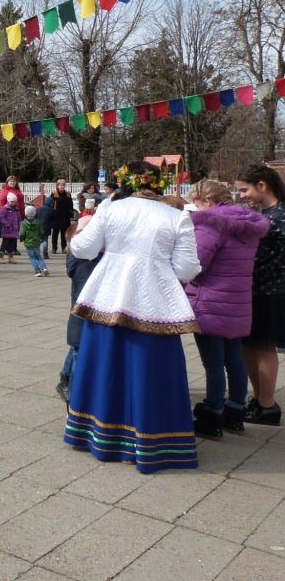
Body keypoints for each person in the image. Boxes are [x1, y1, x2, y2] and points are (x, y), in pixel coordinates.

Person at [64, 161, 201, 472]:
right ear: (159, 184)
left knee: (105, 366)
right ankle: (153, 441)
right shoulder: (178, 216)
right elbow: (186, 269)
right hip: (155, 302)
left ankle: (98, 435)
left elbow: (83, 249)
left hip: (107, 296)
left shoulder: (112, 209)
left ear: (125, 182)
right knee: (150, 370)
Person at [186, 179, 269, 438]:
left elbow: (196, 264)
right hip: (238, 302)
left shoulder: (209, 225)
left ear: (207, 202)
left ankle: (211, 414)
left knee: (213, 364)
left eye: (196, 204)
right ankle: (235, 412)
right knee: (234, 361)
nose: (195, 209)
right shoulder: (248, 224)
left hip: (210, 301)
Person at [235, 165, 285, 426]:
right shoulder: (265, 213)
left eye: (245, 190)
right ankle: (258, 399)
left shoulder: (281, 214)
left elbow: (282, 260)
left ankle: (267, 404)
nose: (242, 195)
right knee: (249, 345)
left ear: (262, 185)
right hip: (255, 289)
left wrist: (250, 273)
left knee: (263, 346)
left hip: (271, 291)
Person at [58, 219, 102, 401]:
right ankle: (74, 398)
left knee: (76, 348)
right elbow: (88, 296)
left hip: (79, 320)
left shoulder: (80, 258)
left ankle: (65, 378)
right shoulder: (87, 263)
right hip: (84, 317)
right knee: (78, 354)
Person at [19, 205, 48, 277]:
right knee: (38, 256)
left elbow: (22, 233)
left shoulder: (24, 223)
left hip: (28, 243)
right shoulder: (38, 222)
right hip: (36, 242)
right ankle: (44, 268)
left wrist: (21, 239)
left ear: (25, 213)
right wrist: (39, 236)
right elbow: (41, 232)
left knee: (32, 257)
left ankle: (37, 271)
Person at [50, 179, 74, 254]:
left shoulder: (68, 194)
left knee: (64, 233)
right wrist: (51, 215)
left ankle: (64, 247)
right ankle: (54, 248)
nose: (62, 186)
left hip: (65, 216)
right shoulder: (54, 194)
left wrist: (71, 214)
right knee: (55, 233)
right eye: (61, 185)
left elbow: (71, 205)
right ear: (58, 186)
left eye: (63, 185)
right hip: (56, 216)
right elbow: (51, 205)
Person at [0, 193, 22, 264]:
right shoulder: (5, 209)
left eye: (14, 201)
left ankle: (11, 257)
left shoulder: (17, 209)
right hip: (7, 230)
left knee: (12, 244)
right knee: (5, 244)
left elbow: (19, 218)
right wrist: (7, 225)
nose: (13, 203)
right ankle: (1, 257)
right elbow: (1, 218)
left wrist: (20, 224)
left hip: (14, 230)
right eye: (11, 201)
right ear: (8, 201)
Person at [37, 195, 55, 261]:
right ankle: (45, 253)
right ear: (51, 203)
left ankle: (36, 251)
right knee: (45, 240)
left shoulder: (39, 208)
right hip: (47, 227)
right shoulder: (52, 210)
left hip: (38, 226)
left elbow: (36, 217)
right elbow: (53, 219)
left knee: (39, 239)